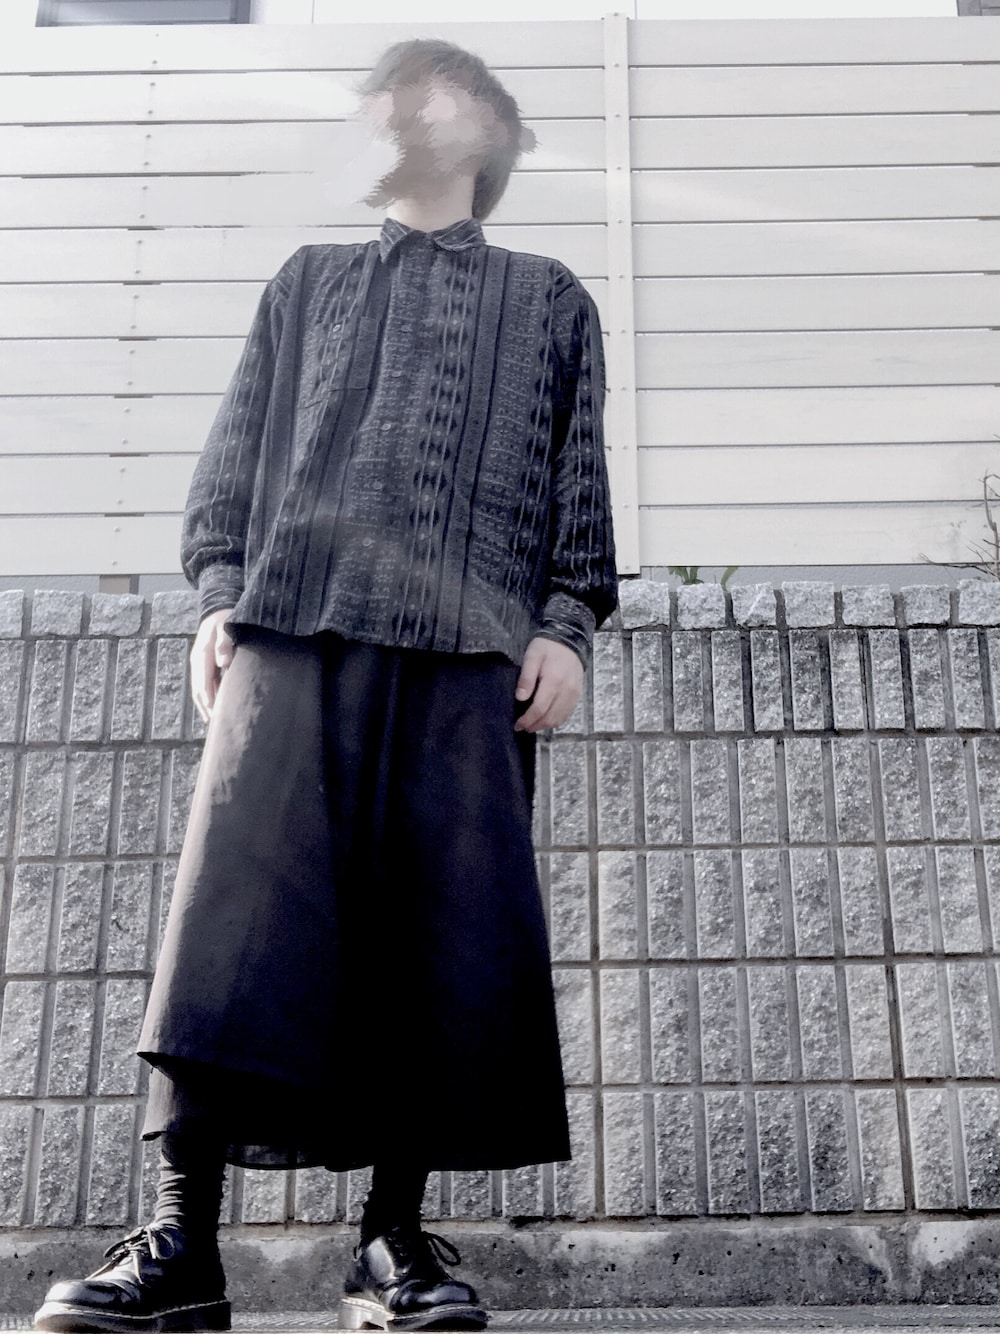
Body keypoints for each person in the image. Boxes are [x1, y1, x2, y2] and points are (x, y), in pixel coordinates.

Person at [35, 36, 617, 1334]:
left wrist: (567, 625)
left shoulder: (551, 298)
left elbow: (577, 487)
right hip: (291, 630)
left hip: (467, 653)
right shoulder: (306, 282)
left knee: (437, 936)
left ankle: (391, 1242)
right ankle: (182, 1242)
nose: (398, 103)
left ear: (491, 129)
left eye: (430, 83)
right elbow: (234, 455)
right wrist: (217, 593)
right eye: (384, 92)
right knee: (230, 925)